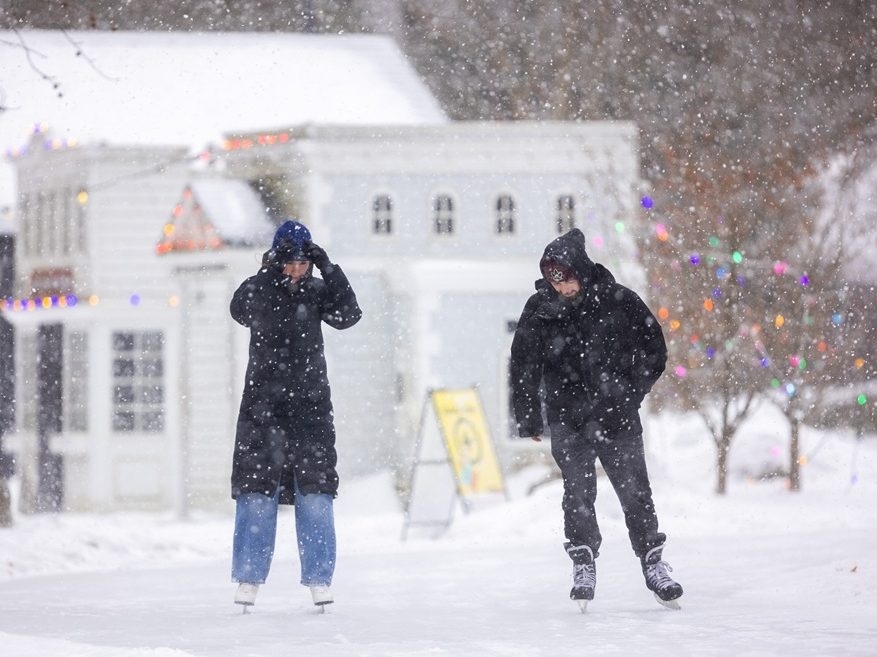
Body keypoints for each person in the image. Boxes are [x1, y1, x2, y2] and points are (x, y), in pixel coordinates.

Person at [509, 228, 683, 610]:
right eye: (556, 282)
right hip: (568, 418)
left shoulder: (619, 300)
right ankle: (583, 560)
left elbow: (654, 349)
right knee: (578, 493)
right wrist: (529, 418)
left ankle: (653, 563)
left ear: (582, 271)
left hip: (616, 417)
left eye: (568, 280)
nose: (564, 289)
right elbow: (523, 364)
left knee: (635, 492)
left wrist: (631, 392)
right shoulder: (540, 309)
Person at [229, 219, 362, 610]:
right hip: (262, 411)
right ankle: (249, 578)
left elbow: (349, 315)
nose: (298, 270)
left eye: (305, 263)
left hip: (310, 410)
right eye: (292, 262)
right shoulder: (260, 290)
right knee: (255, 494)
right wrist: (269, 271)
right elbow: (238, 308)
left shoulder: (318, 292)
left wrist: (330, 268)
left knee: (316, 494)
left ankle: (320, 579)